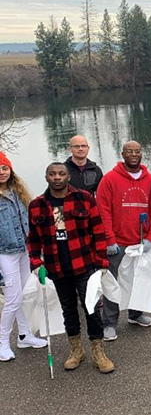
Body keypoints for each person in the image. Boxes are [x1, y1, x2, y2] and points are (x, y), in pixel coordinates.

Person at [27, 162, 114, 373]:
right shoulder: (37, 205)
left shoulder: (84, 198)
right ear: (46, 177)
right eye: (52, 174)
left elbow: (98, 231)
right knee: (68, 310)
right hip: (56, 267)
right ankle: (76, 350)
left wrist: (101, 261)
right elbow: (33, 239)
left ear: (68, 177)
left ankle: (98, 351)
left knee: (91, 308)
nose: (57, 177)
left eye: (61, 174)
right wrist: (36, 263)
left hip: (84, 265)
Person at [96, 141, 151, 341]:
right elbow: (103, 210)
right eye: (129, 151)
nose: (134, 155)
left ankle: (135, 314)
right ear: (122, 154)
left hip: (140, 240)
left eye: (137, 151)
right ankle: (109, 322)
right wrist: (109, 239)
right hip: (118, 242)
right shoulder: (109, 179)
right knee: (112, 282)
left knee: (137, 278)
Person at [0, 152, 47, 362]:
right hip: (5, 253)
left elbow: (31, 221)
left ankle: (24, 335)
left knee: (23, 294)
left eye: (4, 168)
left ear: (10, 170)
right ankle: (2, 342)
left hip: (24, 251)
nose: (1, 173)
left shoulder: (18, 193)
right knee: (12, 299)